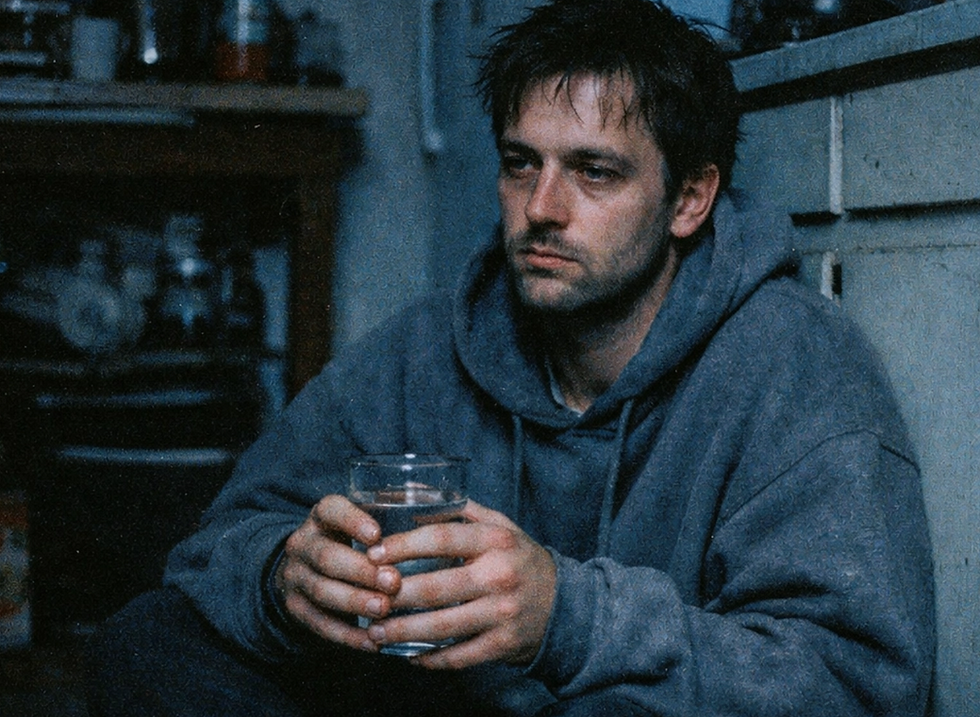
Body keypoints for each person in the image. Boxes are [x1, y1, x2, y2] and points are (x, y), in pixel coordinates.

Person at [86, 0, 936, 715]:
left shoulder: (796, 364)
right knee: (147, 641)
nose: (542, 208)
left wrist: (567, 619)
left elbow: (855, 683)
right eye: (520, 164)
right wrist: (285, 577)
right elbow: (213, 547)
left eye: (594, 172)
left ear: (688, 199)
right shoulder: (434, 345)